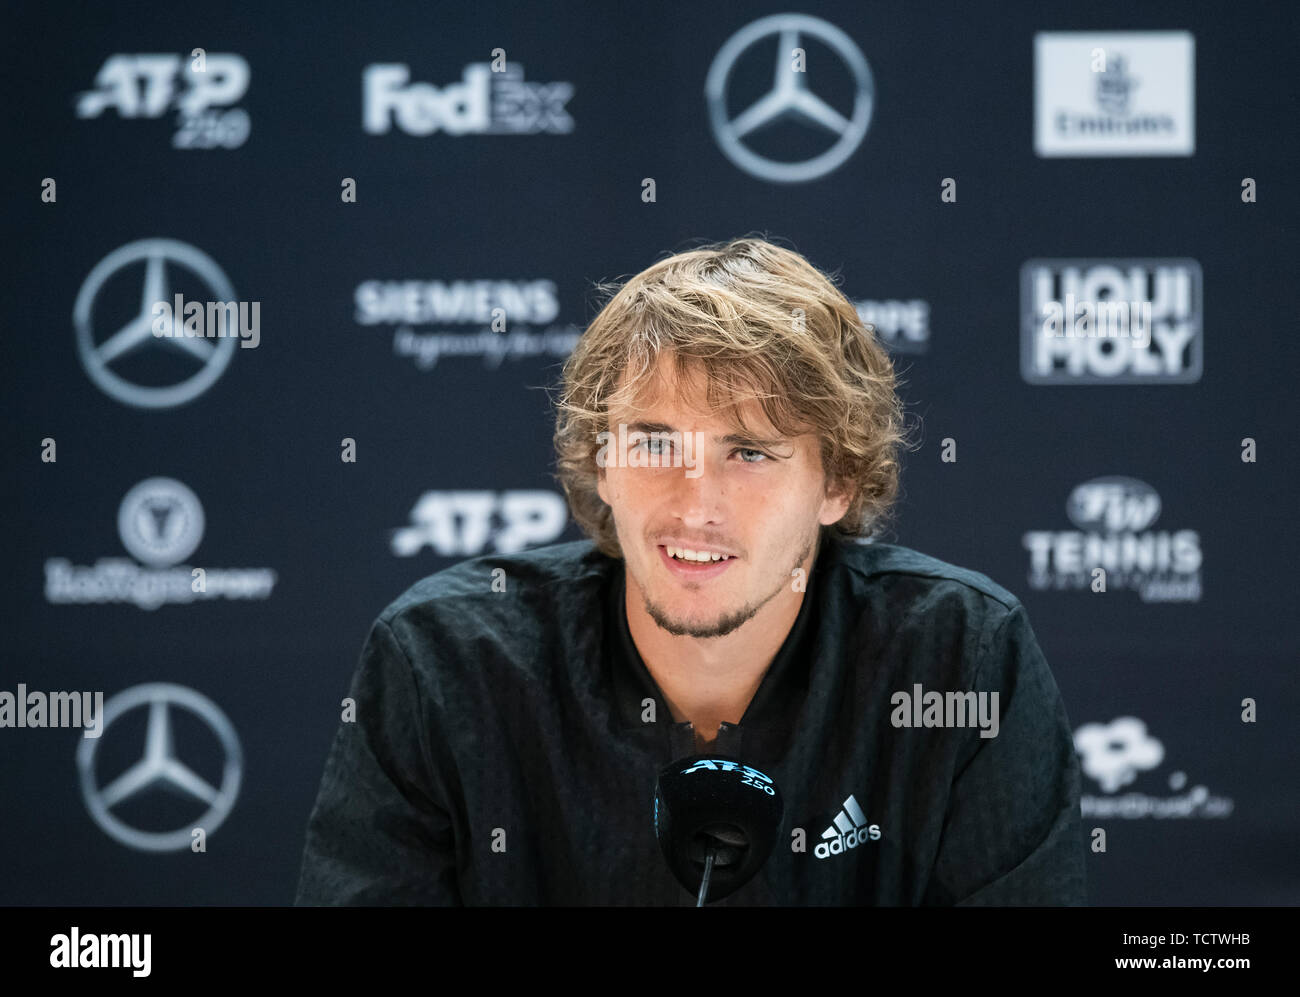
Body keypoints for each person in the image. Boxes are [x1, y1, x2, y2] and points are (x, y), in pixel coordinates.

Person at [294, 236, 1087, 905]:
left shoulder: (960, 655)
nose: (694, 502)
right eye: (653, 442)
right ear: (601, 463)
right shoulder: (443, 659)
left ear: (836, 483)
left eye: (748, 452)